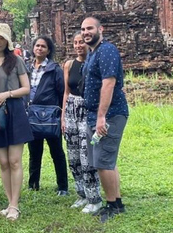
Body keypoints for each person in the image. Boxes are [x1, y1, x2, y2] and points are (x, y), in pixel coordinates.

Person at [0, 23, 32, 220]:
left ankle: (14, 205)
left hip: (15, 110)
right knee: (2, 161)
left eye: (1, 38)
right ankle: (10, 202)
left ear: (7, 41)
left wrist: (7, 94)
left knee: (15, 160)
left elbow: (26, 88)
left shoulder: (16, 60)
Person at [81, 16, 129, 222]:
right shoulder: (93, 53)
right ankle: (116, 202)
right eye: (83, 29)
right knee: (106, 160)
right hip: (95, 114)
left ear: (101, 29)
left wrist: (101, 116)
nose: (85, 32)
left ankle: (111, 205)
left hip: (109, 114)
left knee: (102, 160)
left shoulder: (107, 50)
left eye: (90, 28)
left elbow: (108, 83)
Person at [62, 31, 102, 214]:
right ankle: (81, 194)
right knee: (73, 155)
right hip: (71, 109)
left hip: (88, 110)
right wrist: (63, 116)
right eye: (75, 43)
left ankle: (94, 198)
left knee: (88, 156)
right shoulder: (69, 65)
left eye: (81, 42)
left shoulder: (94, 62)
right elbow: (66, 91)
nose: (78, 45)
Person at [26, 36, 69, 196]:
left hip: (50, 116)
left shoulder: (54, 69)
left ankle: (63, 186)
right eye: (37, 45)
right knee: (34, 151)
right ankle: (33, 184)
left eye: (43, 46)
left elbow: (61, 92)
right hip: (32, 115)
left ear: (48, 50)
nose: (39, 48)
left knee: (56, 151)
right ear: (33, 48)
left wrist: (61, 112)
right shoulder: (27, 68)